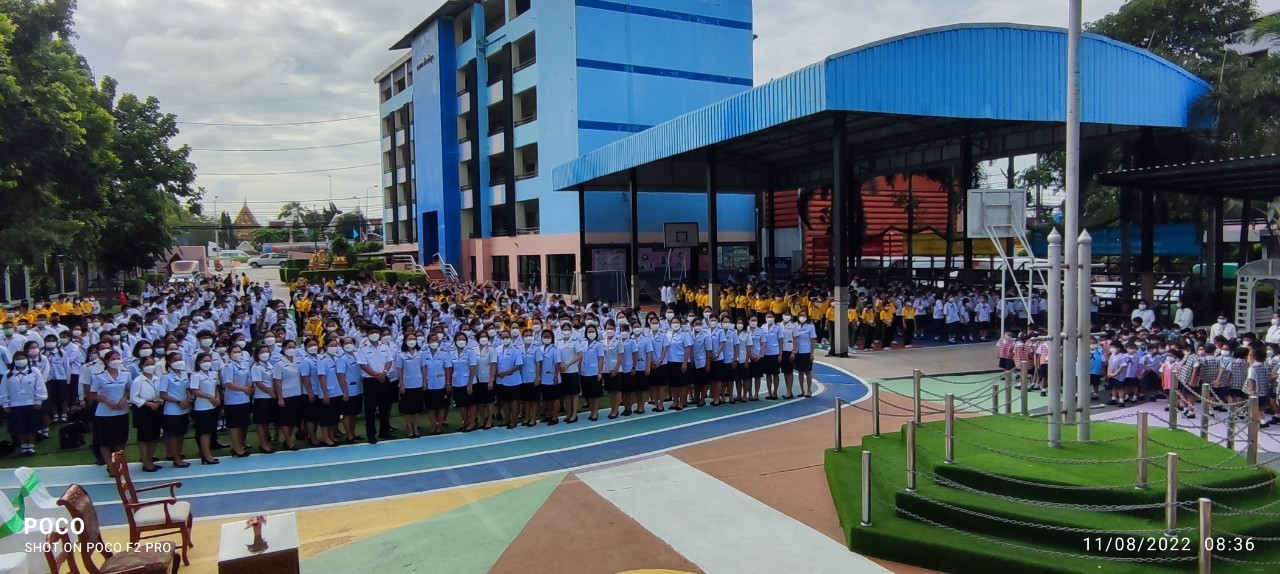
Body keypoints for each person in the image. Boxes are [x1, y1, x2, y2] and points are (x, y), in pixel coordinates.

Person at [1, 350, 47, 456]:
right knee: (19, 427)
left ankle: (30, 446)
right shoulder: (8, 374)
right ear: (13, 361)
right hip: (15, 404)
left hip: (31, 403)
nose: (20, 361)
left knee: (31, 426)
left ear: (27, 359)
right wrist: (5, 403)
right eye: (17, 359)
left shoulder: (34, 371)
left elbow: (40, 387)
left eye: (22, 358)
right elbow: (3, 390)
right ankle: (23, 447)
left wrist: (39, 400)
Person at [130, 356, 166, 471]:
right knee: (144, 437)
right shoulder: (138, 381)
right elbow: (133, 398)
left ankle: (150, 460)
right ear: (141, 366)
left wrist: (159, 401)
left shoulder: (158, 379)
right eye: (147, 364)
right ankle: (145, 462)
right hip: (143, 410)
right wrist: (148, 404)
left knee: (153, 436)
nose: (150, 367)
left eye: (152, 364)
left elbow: (161, 393)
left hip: (156, 407)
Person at [159, 352, 192, 468]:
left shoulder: (184, 374)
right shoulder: (165, 377)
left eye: (179, 359)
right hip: (172, 410)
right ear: (169, 362)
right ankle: (176, 458)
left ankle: (179, 454)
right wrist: (178, 402)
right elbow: (163, 394)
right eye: (175, 360)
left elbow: (187, 389)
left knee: (181, 434)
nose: (178, 362)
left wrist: (188, 399)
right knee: (173, 435)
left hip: (184, 409)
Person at [220, 344, 253, 457]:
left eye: (239, 351)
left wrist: (250, 387)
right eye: (234, 352)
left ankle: (242, 443)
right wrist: (244, 389)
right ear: (229, 353)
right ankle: (236, 448)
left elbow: (248, 377)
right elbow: (228, 383)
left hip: (245, 397)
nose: (237, 354)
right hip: (233, 399)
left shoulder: (243, 363)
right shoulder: (228, 366)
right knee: (235, 425)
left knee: (243, 423)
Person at [272, 340, 305, 450]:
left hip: (297, 393)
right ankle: (289, 442)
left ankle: (287, 440)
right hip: (286, 394)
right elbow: (277, 381)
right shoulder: (279, 363)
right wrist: (280, 397)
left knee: (293, 420)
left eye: (293, 347)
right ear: (284, 348)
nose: (291, 349)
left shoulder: (299, 360)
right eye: (289, 347)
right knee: (285, 420)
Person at [189, 352, 221, 465]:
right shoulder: (195, 375)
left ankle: (207, 453)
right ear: (199, 362)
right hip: (202, 407)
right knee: (205, 432)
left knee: (211, 430)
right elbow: (194, 390)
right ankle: (206, 455)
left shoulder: (214, 373)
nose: (207, 363)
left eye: (209, 360)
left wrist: (217, 397)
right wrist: (209, 397)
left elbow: (216, 387)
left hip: (213, 406)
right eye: (204, 361)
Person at [394, 332, 426, 438]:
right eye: (410, 339)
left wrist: (424, 382)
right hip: (406, 384)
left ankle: (415, 428)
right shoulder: (401, 354)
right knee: (408, 409)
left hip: (418, 383)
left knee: (417, 409)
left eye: (414, 339)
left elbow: (423, 368)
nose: (412, 341)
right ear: (405, 341)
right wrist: (401, 384)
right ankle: (410, 429)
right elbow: (399, 370)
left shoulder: (420, 353)